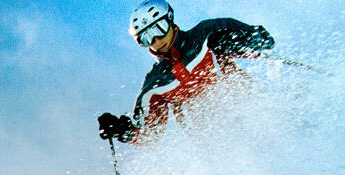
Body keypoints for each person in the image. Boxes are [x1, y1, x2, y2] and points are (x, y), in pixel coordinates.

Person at [98, 2, 275, 145]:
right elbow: (149, 136)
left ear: (170, 20)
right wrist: (122, 130)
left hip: (253, 111)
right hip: (217, 143)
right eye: (146, 38)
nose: (156, 41)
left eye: (158, 29)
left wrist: (234, 41)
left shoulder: (206, 33)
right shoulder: (154, 85)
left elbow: (265, 41)